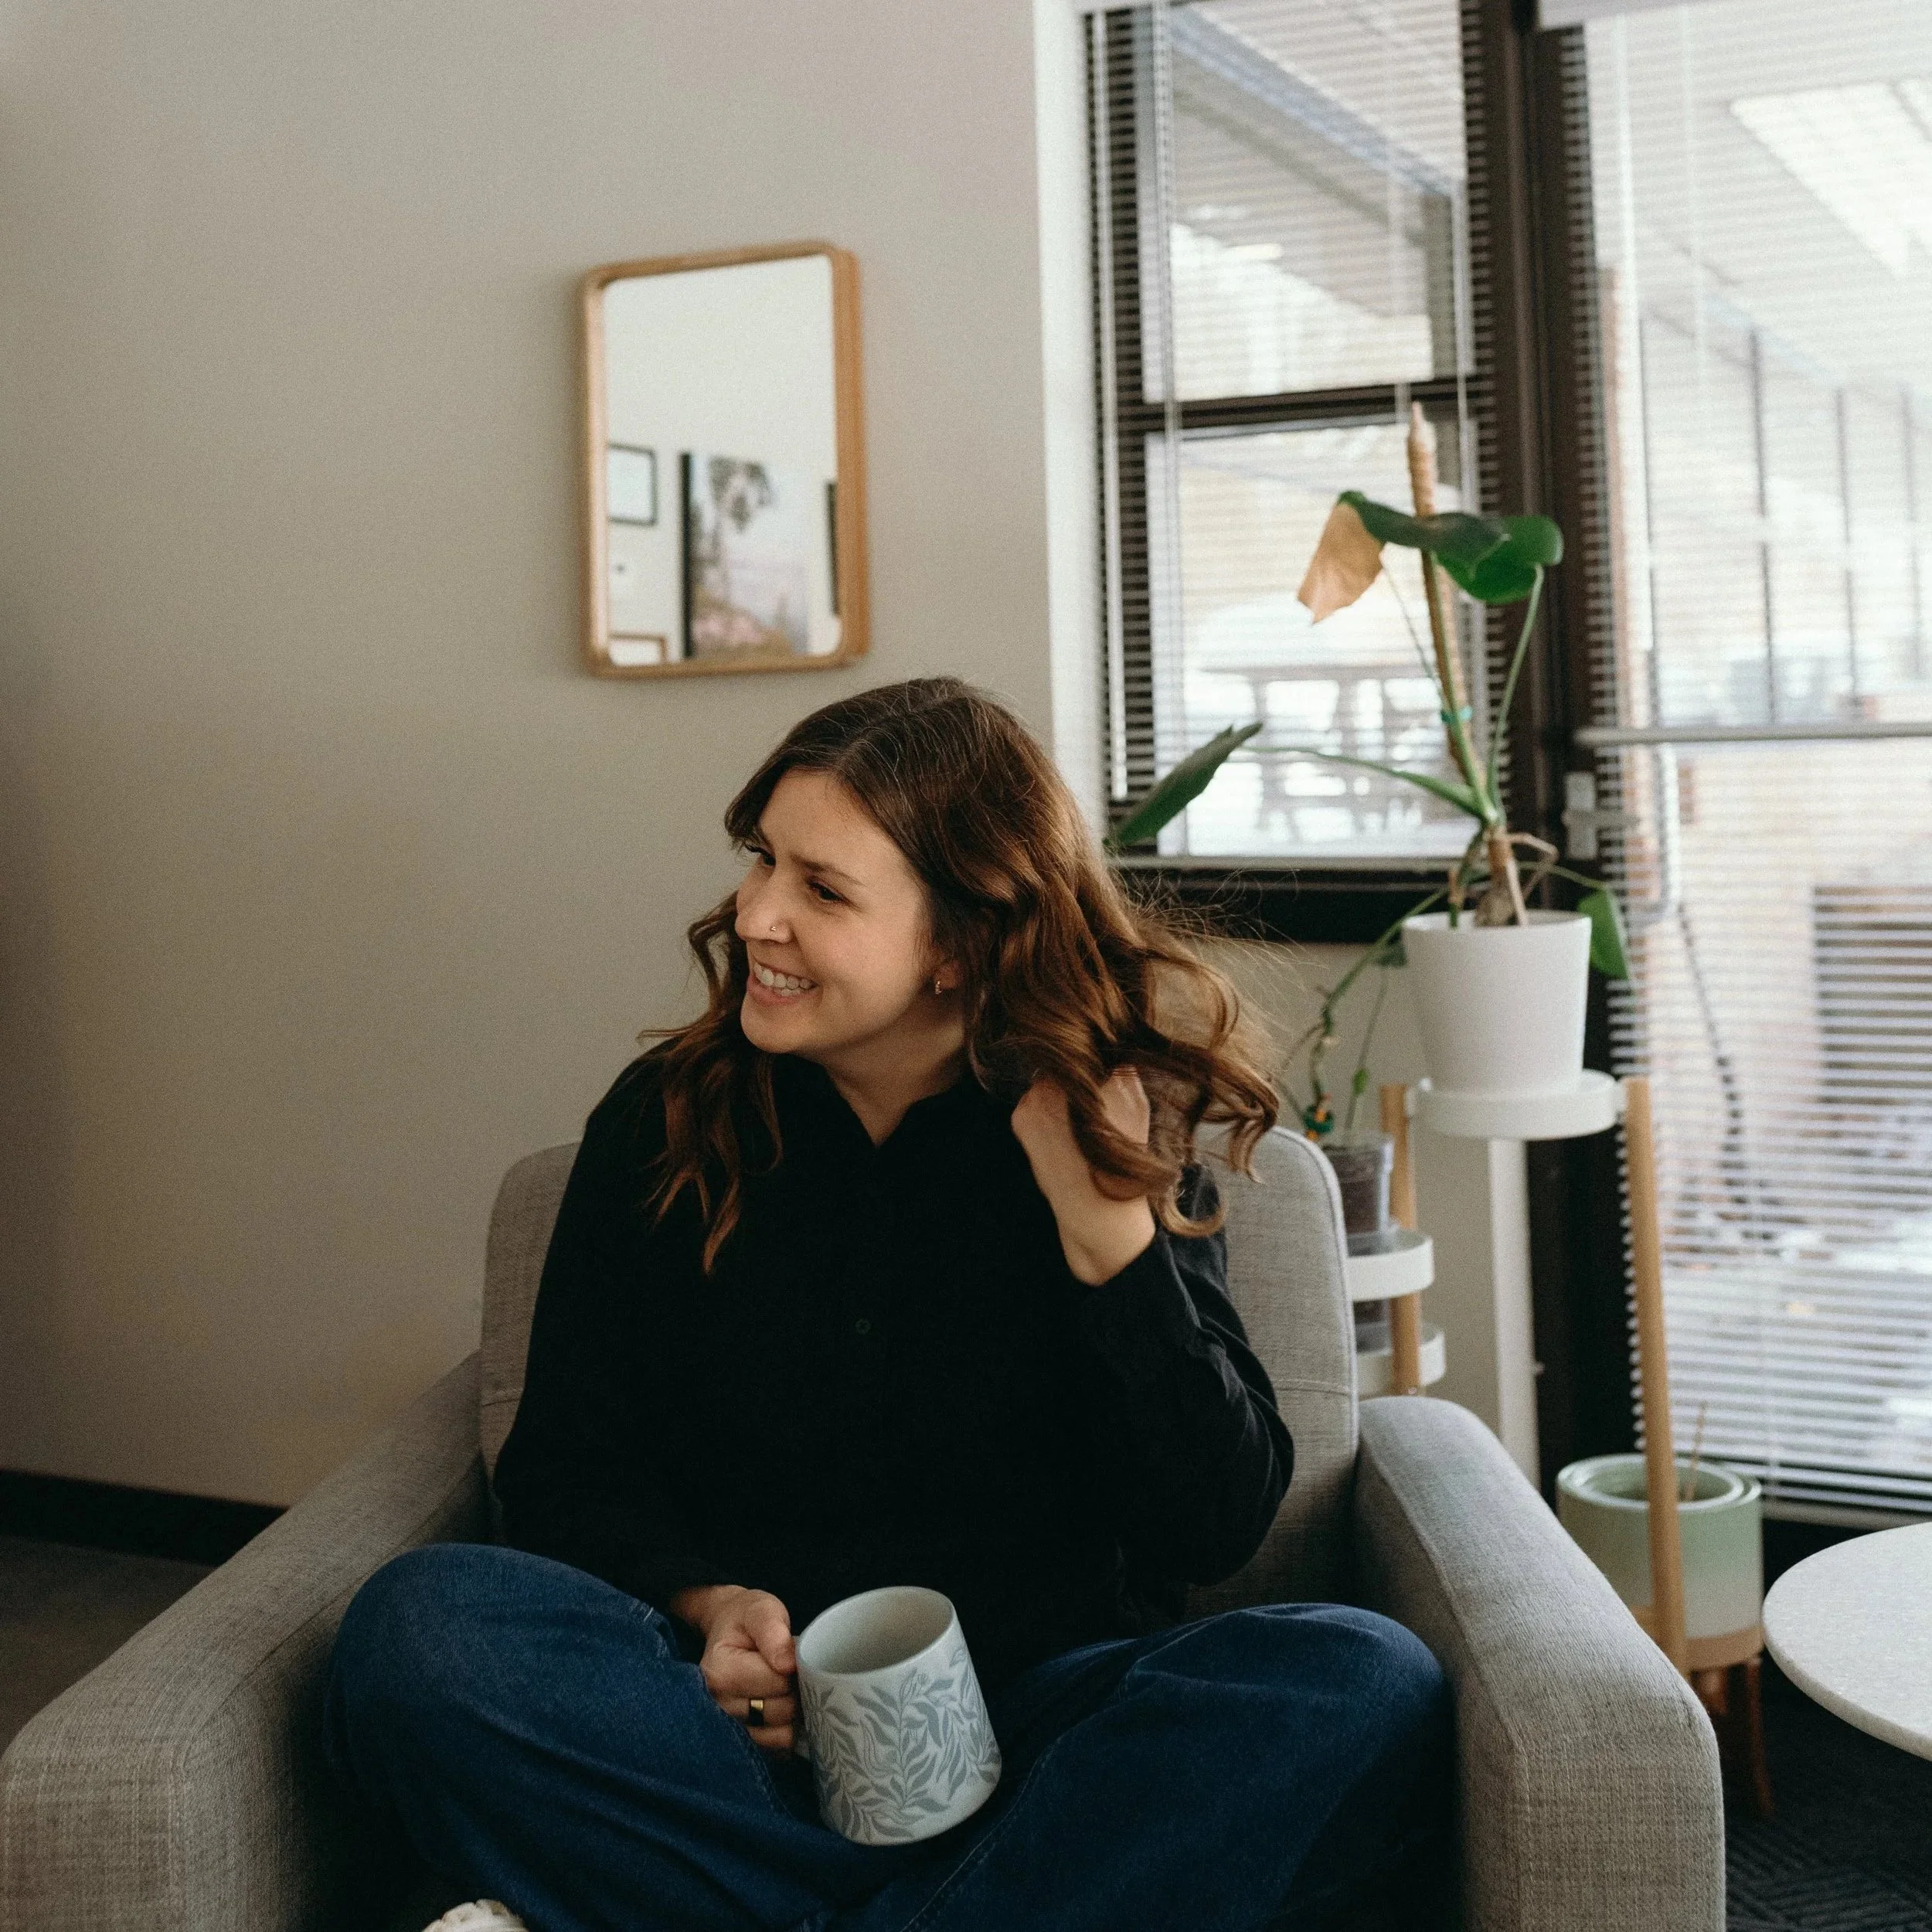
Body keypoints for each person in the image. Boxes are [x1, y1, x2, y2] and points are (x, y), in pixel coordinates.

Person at [324, 678, 1452, 1932]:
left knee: (1362, 1680)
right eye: (763, 862)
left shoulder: (1100, 1121)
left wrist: (1112, 1243)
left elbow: (1213, 1526)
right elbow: (568, 1466)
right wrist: (706, 1607)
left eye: (823, 889)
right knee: (415, 1636)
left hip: (1039, 1740)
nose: (755, 915)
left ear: (960, 941)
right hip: (727, 1748)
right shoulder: (665, 1122)